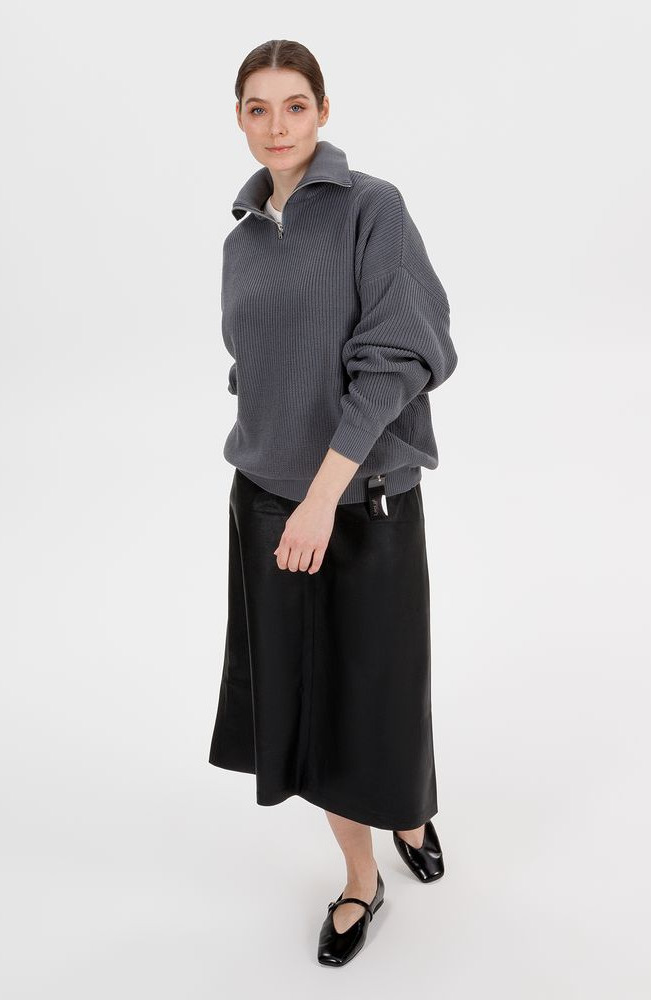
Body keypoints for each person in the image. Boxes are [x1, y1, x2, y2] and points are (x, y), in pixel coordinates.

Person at [207, 38, 458, 967]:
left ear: (323, 111)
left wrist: (323, 494)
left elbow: (400, 354)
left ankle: (411, 812)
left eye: (295, 106)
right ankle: (361, 878)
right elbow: (252, 366)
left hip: (364, 502)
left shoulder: (371, 209)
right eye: (258, 108)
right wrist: (276, 475)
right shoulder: (240, 242)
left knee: (381, 693)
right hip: (267, 502)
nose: (277, 126)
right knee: (310, 709)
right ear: (239, 118)